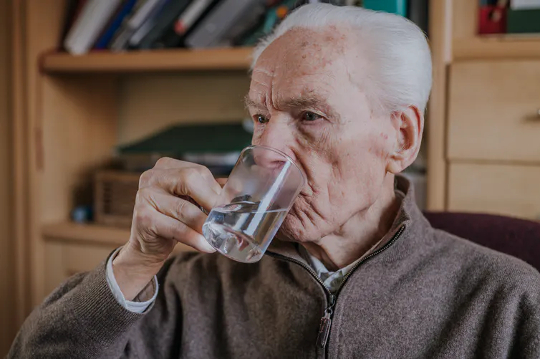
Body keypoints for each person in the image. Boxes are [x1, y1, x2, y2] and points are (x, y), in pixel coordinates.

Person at [9, 4, 540, 359]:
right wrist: (135, 261)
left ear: (400, 138)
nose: (268, 149)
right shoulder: (193, 284)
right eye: (260, 118)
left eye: (309, 115)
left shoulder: (508, 304)